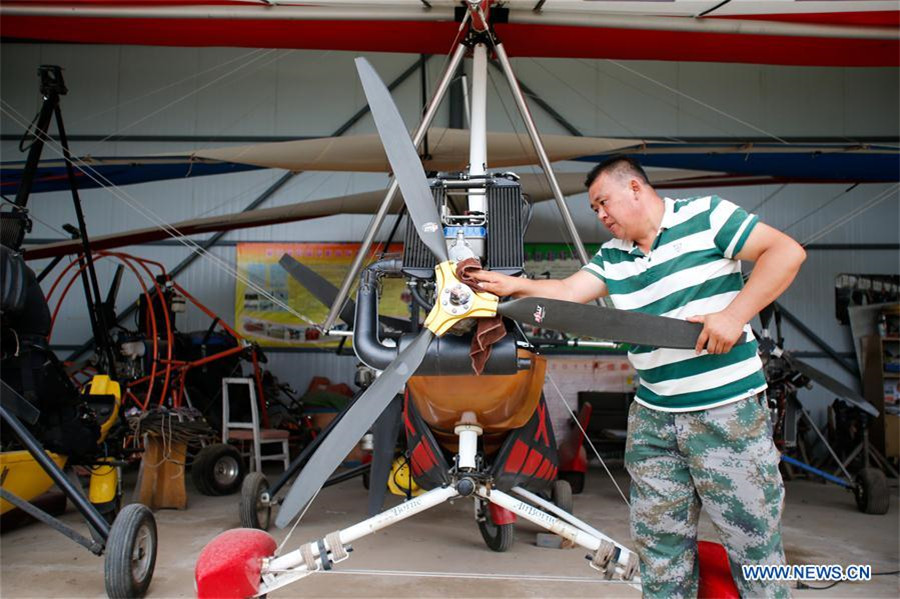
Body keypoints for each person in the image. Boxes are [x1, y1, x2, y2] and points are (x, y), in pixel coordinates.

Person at [471, 156, 805, 598]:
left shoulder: (706, 217)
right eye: (594, 210)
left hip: (727, 412)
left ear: (634, 189)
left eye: (602, 203)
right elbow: (570, 293)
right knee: (660, 552)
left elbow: (786, 252)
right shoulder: (613, 257)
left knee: (754, 545)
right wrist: (512, 286)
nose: (601, 215)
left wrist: (734, 315)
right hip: (653, 416)